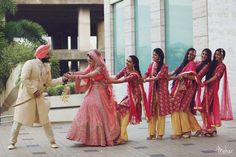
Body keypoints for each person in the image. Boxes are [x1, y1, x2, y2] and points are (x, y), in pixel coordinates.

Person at [8, 44, 67, 150]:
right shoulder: (29, 64)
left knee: (45, 120)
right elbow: (24, 79)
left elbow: (49, 82)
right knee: (18, 120)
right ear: (42, 54)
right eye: (47, 54)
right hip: (26, 97)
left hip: (39, 98)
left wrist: (62, 79)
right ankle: (12, 142)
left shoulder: (47, 66)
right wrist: (34, 90)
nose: (49, 56)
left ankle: (52, 141)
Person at [65, 49, 120, 146]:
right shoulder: (91, 66)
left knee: (98, 110)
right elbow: (84, 72)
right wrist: (73, 74)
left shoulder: (101, 67)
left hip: (101, 91)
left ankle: (103, 137)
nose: (89, 61)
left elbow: (91, 74)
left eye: (90, 59)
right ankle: (89, 137)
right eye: (88, 59)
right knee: (86, 106)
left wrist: (77, 77)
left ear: (95, 59)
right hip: (93, 90)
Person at [108, 55, 150, 144]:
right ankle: (123, 135)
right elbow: (116, 78)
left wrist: (107, 81)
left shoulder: (135, 74)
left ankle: (122, 137)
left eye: (129, 61)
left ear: (134, 64)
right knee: (119, 111)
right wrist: (105, 78)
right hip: (129, 95)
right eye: (126, 61)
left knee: (125, 113)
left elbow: (122, 81)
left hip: (136, 97)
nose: (127, 63)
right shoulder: (125, 69)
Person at [200, 48, 233, 136]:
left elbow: (216, 76)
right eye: (216, 54)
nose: (216, 56)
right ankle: (209, 127)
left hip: (213, 89)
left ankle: (210, 128)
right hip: (208, 88)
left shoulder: (222, 66)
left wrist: (206, 82)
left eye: (218, 55)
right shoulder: (213, 64)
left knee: (205, 107)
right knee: (206, 108)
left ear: (222, 56)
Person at [143, 48, 172, 140]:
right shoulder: (151, 65)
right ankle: (151, 133)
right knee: (151, 113)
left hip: (161, 93)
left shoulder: (164, 67)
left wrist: (145, 80)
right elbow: (147, 73)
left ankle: (160, 134)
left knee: (160, 113)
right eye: (153, 54)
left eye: (155, 55)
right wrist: (142, 77)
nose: (153, 56)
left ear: (159, 56)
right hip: (152, 93)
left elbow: (157, 78)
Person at [168, 48, 197, 139]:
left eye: (192, 54)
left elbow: (194, 77)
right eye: (188, 54)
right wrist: (162, 76)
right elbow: (173, 74)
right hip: (178, 89)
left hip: (186, 90)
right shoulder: (183, 65)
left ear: (194, 56)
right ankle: (179, 131)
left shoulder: (192, 64)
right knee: (177, 109)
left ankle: (186, 131)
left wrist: (185, 75)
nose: (189, 56)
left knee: (181, 109)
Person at [187, 48, 212, 136]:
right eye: (203, 53)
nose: (203, 56)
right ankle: (194, 128)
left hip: (194, 87)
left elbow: (198, 76)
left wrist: (186, 76)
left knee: (188, 107)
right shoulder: (198, 62)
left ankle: (199, 128)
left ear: (208, 57)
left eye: (206, 55)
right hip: (188, 86)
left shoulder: (207, 65)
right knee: (187, 108)